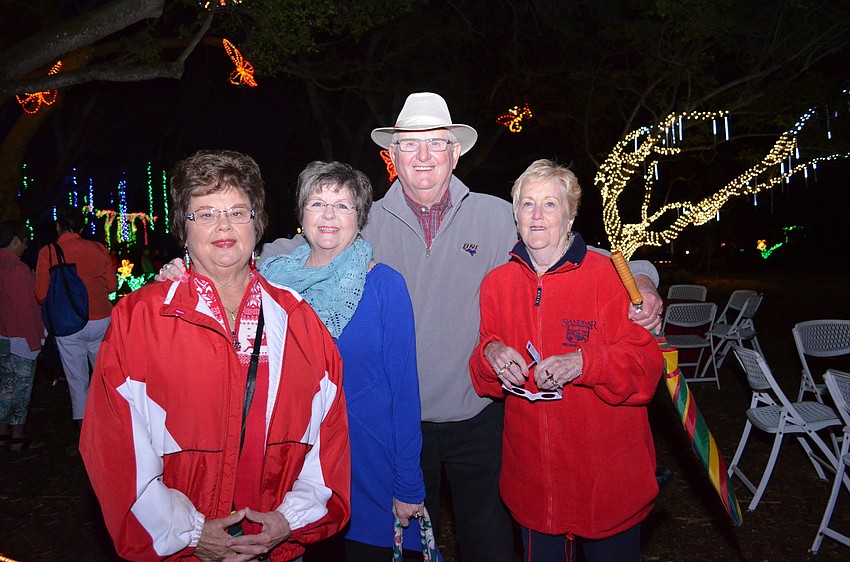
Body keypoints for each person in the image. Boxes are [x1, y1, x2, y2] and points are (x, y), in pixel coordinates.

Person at [256, 92, 664, 561]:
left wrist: (645, 281)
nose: (424, 156)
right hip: (400, 425)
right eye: (410, 145)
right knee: (404, 548)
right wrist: (206, 267)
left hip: (480, 415)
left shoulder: (495, 216)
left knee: (489, 544)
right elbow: (293, 247)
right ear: (393, 156)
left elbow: (567, 248)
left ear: (455, 152)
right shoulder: (363, 223)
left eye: (435, 144)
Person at [80, 150, 351, 562]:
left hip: (275, 545)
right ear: (182, 230)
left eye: (237, 212)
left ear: (257, 223)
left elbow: (329, 442)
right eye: (205, 214)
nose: (224, 226)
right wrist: (190, 534)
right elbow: (114, 449)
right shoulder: (140, 320)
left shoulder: (299, 320)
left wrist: (287, 521)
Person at [469, 159, 664, 562]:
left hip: (606, 487)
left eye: (550, 204)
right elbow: (483, 381)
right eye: (527, 204)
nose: (537, 215)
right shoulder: (496, 284)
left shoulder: (610, 277)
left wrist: (583, 363)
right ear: (515, 213)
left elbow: (645, 372)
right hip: (534, 490)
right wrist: (490, 354)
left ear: (571, 214)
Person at [260, 161, 425, 561]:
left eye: (343, 205)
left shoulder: (385, 285)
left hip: (367, 466)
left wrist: (408, 484)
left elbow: (404, 391)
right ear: (301, 214)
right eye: (317, 203)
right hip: (295, 467)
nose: (329, 215)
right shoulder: (270, 286)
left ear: (360, 217)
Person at [34, 206, 116, 426]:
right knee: (105, 375)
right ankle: (111, 424)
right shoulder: (99, 248)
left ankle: (86, 432)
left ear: (58, 227)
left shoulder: (48, 252)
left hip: (68, 322)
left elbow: (41, 295)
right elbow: (112, 286)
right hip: (101, 319)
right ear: (81, 227)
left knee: (77, 381)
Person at [0, 221, 43, 451]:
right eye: (24, 243)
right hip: (21, 339)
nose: (25, 248)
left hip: (3, 337)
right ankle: (17, 438)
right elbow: (25, 308)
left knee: (5, 387)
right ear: (15, 240)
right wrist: (36, 341)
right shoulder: (16, 269)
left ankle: (3, 434)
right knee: (21, 390)